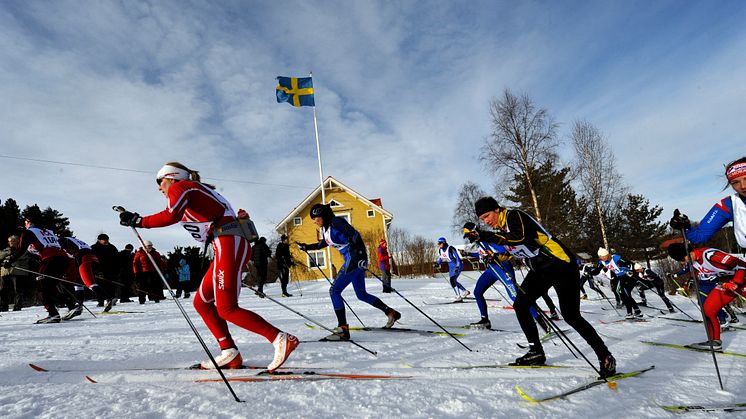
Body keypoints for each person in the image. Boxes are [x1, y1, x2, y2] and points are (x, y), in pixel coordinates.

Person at [118, 162, 298, 371]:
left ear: (172, 177)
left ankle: (279, 338)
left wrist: (139, 221)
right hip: (227, 243)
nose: (159, 188)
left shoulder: (180, 186)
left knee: (227, 308)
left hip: (227, 243)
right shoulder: (194, 190)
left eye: (160, 182)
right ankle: (229, 352)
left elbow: (170, 215)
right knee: (201, 302)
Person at [467, 197, 615, 376]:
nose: (486, 221)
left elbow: (519, 237)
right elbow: (513, 249)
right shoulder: (501, 229)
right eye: (482, 219)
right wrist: (497, 258)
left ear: (497, 210)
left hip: (560, 264)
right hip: (540, 269)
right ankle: (535, 351)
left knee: (570, 315)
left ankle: (605, 356)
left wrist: (484, 235)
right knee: (520, 305)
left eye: (487, 215)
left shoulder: (514, 216)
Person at [298, 203, 401, 341]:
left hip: (354, 258)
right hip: (352, 259)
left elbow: (355, 235)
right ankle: (390, 312)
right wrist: (307, 247)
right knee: (361, 294)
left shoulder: (336, 222)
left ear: (323, 215)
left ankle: (343, 330)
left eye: (316, 218)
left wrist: (361, 255)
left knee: (334, 291)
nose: (314, 221)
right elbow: (323, 243)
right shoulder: (326, 229)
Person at [463, 222, 550, 332]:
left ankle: (541, 321)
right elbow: (482, 254)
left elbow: (504, 251)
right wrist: (469, 254)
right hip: (491, 270)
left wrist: (494, 257)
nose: (469, 238)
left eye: (470, 235)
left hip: (502, 268)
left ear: (475, 231)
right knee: (477, 292)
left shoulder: (488, 238)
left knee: (515, 297)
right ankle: (485, 320)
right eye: (468, 237)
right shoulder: (479, 242)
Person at [667, 242, 746, 350]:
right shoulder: (693, 262)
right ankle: (715, 341)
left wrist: (736, 282)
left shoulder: (709, 254)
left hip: (741, 280)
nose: (682, 263)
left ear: (687, 254)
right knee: (708, 310)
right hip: (727, 283)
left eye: (682, 260)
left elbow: (740, 264)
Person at [4, 212, 75, 323]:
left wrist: (10, 261)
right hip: (63, 258)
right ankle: (71, 306)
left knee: (42, 286)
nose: (25, 225)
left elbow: (21, 250)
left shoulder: (28, 232)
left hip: (50, 258)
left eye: (25, 223)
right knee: (50, 287)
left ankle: (53, 314)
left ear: (29, 222)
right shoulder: (49, 231)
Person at [671, 157, 746, 248]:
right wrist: (685, 226)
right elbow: (700, 236)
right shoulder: (729, 205)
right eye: (735, 182)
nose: (743, 186)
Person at [59, 236, 115, 319]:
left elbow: (66, 251)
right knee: (78, 282)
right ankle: (80, 304)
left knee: (89, 283)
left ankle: (109, 298)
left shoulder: (62, 240)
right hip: (93, 258)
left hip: (84, 259)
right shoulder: (74, 239)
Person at [592, 248, 642, 319]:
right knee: (623, 294)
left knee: (624, 294)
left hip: (629, 277)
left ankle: (630, 313)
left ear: (607, 255)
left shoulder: (615, 258)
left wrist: (629, 270)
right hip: (621, 278)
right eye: (600, 256)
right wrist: (589, 273)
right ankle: (637, 311)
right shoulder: (602, 262)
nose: (602, 258)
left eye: (603, 256)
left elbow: (629, 264)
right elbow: (597, 271)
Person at [435, 237, 470, 301]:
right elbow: (441, 258)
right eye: (438, 243)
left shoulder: (450, 248)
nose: (439, 244)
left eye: (440, 243)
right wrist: (437, 263)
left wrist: (457, 267)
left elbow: (457, 258)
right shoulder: (440, 250)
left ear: (444, 243)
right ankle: (465, 291)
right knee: (453, 281)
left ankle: (458, 296)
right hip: (450, 266)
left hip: (457, 265)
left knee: (452, 280)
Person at [91, 233, 120, 306]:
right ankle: (100, 301)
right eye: (104, 240)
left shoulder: (112, 247)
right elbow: (92, 260)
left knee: (111, 286)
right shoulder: (94, 248)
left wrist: (117, 269)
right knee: (100, 286)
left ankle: (111, 300)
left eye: (107, 239)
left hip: (111, 270)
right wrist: (95, 270)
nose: (106, 241)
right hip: (99, 270)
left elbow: (117, 259)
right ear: (99, 240)